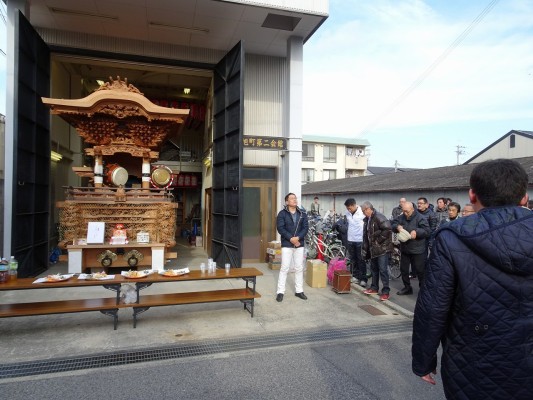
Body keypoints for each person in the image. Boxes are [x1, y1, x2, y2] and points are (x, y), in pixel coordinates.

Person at [412, 159, 533, 399]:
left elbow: (433, 307)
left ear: (472, 195)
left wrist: (423, 360)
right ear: (524, 197)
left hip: (473, 362)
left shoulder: (452, 238)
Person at [391, 201, 430, 295]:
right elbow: (392, 224)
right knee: (404, 269)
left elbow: (427, 231)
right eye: (403, 211)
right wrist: (397, 227)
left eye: (407, 211)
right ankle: (407, 287)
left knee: (420, 271)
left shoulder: (420, 218)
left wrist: (417, 232)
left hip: (418, 249)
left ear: (413, 209)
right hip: (405, 248)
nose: (405, 213)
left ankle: (423, 289)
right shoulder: (401, 217)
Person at [276, 193, 309, 302]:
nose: (294, 200)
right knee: (284, 267)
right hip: (287, 244)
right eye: (292, 198)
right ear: (287, 202)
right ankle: (280, 292)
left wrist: (298, 238)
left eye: (295, 198)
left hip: (299, 244)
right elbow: (280, 228)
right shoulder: (282, 214)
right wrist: (291, 239)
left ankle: (299, 291)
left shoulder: (302, 214)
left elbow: (305, 228)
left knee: (299, 268)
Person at [361, 201, 393, 301]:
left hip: (382, 249)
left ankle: (386, 291)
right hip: (373, 249)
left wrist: (378, 241)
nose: (362, 213)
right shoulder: (367, 219)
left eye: (363, 211)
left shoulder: (379, 216)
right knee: (374, 269)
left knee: (383, 270)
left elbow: (387, 229)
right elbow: (367, 235)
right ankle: (374, 287)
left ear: (368, 209)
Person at [343, 198, 367, 287]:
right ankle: (355, 276)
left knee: (361, 260)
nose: (348, 210)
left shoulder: (362, 212)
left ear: (354, 205)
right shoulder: (347, 213)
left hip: (360, 240)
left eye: (350, 208)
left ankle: (363, 279)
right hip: (350, 239)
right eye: (347, 208)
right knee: (353, 260)